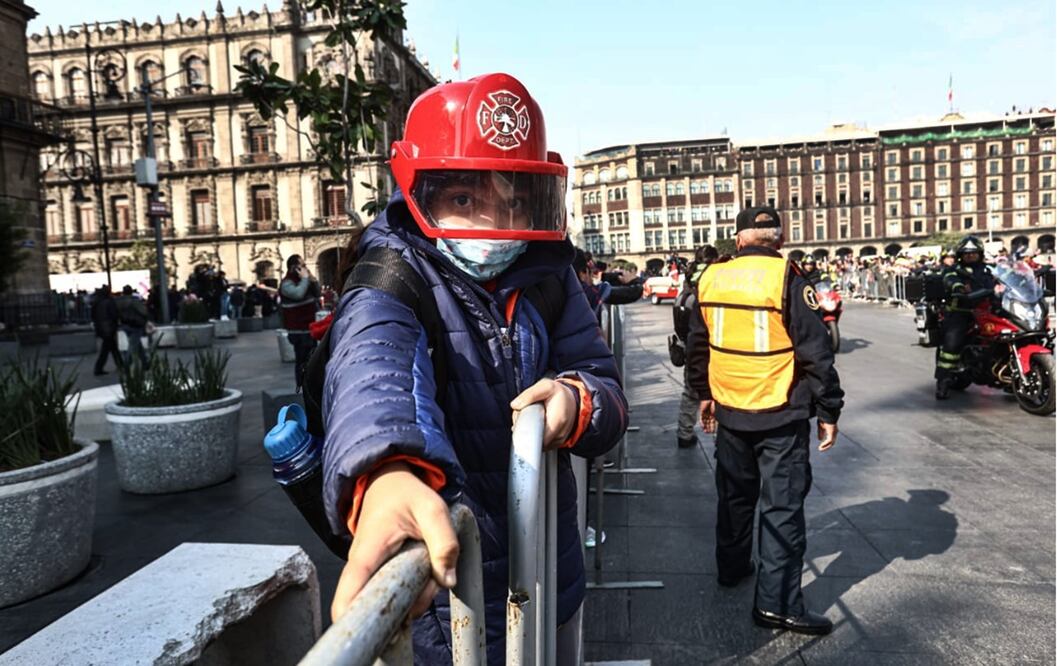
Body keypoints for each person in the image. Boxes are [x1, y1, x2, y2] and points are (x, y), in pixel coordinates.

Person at [324, 72, 628, 663]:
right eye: (465, 199)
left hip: (549, 573)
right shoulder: (392, 276)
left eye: (514, 198)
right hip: (451, 601)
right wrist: (387, 474)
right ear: (418, 190)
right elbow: (374, 367)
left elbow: (606, 389)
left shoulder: (549, 271)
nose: (494, 222)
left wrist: (576, 401)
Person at [687, 206, 844, 635]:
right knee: (781, 508)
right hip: (779, 409)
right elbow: (815, 351)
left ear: (738, 239)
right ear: (779, 239)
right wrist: (829, 409)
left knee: (735, 495)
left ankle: (732, 567)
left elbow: (698, 342)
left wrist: (703, 394)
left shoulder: (712, 276)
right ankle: (777, 605)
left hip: (730, 405)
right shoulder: (788, 277)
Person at [935, 235, 995, 400]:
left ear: (980, 253)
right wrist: (958, 287)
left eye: (974, 253)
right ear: (961, 255)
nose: (970, 256)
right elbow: (949, 279)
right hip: (961, 310)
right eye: (966, 253)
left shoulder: (989, 269)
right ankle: (943, 380)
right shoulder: (953, 269)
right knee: (952, 343)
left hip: (987, 310)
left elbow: (1007, 276)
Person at [672, 244, 718, 449]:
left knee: (690, 394)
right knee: (717, 393)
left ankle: (685, 432)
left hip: (687, 349)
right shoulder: (707, 288)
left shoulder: (684, 292)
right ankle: (721, 436)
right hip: (708, 350)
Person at [279, 255, 320, 388]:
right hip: (298, 330)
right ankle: (301, 387)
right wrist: (305, 279)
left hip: (310, 327)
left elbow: (317, 293)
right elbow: (298, 294)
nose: (305, 268)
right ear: (294, 268)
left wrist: (313, 280)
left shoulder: (305, 280)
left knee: (313, 360)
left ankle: (312, 387)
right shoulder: (287, 283)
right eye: (302, 266)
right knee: (302, 360)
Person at [91, 287, 123, 376]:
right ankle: (99, 368)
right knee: (106, 350)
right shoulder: (109, 302)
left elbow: (94, 316)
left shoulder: (97, 302)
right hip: (109, 328)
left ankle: (121, 365)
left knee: (112, 348)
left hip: (102, 328)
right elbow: (114, 315)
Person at [115, 285, 150, 366]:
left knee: (136, 343)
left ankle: (145, 362)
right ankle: (127, 363)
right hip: (136, 324)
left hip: (125, 324)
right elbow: (143, 311)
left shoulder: (118, 301)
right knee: (133, 345)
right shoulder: (134, 300)